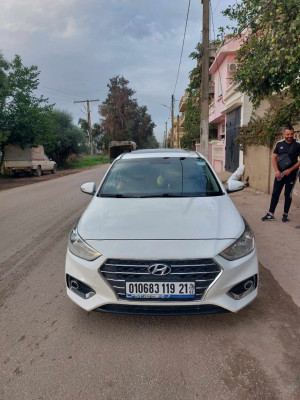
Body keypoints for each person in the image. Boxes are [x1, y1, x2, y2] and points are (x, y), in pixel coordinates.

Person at [262, 125, 300, 222]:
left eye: (291, 134)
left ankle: (285, 214)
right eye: (287, 134)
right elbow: (274, 158)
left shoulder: (298, 144)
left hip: (292, 174)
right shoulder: (279, 144)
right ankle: (271, 214)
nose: (289, 136)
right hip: (280, 174)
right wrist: (276, 171)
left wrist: (290, 170)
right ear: (283, 134)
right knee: (275, 192)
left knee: (288, 194)